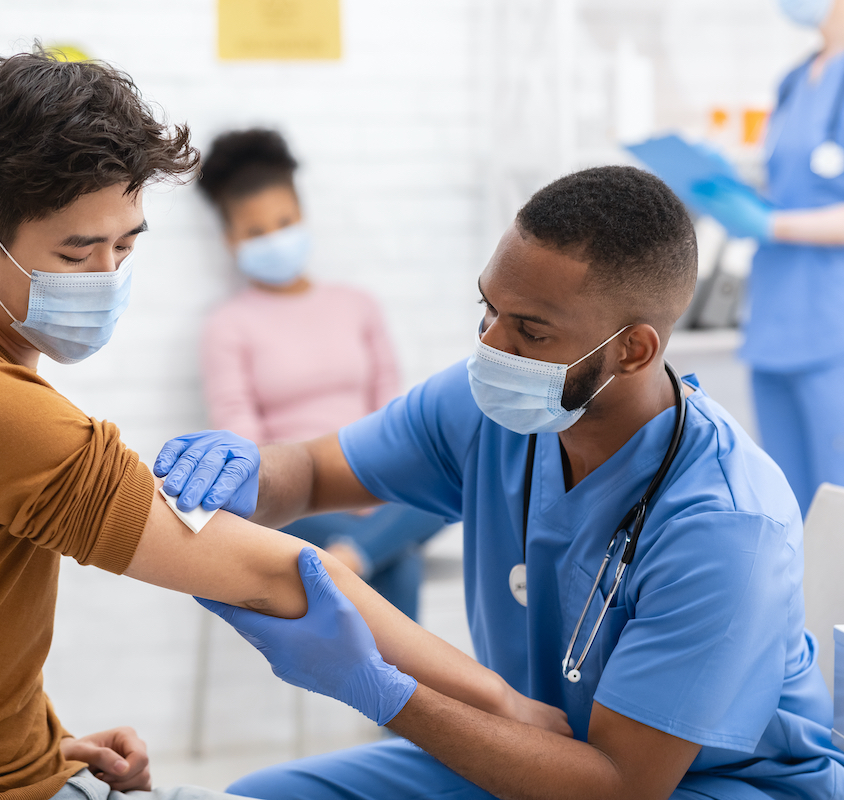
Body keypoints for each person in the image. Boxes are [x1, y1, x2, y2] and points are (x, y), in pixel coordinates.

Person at [0, 50, 569, 800]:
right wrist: (504, 704)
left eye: (125, 246)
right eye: (78, 255)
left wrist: (43, 743)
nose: (109, 279)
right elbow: (283, 575)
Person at [158, 166, 844, 799]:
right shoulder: (484, 406)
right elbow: (310, 473)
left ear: (633, 350)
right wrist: (250, 474)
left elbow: (618, 786)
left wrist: (380, 691)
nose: (490, 344)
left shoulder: (724, 524)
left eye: (530, 331)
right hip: (540, 752)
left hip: (703, 785)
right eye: (488, 308)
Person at [195, 128, 446, 620]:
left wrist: (371, 485)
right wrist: (320, 491)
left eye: (284, 222)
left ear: (303, 217)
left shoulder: (358, 305)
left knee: (451, 478)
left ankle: (348, 562)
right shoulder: (226, 326)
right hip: (292, 502)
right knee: (400, 562)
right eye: (255, 231)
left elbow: (391, 411)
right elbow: (242, 438)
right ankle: (412, 687)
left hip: (374, 478)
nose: (274, 238)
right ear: (231, 240)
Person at [689, 0, 844, 516]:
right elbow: (785, 186)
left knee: (837, 499)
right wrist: (722, 187)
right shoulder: (795, 80)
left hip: (831, 323)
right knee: (787, 503)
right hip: (777, 319)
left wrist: (772, 224)